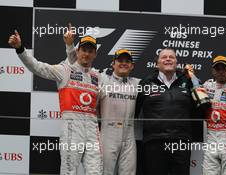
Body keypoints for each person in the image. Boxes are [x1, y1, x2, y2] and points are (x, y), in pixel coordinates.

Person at [8, 30, 103, 175]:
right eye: (84, 50)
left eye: (91, 51)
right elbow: (37, 67)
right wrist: (20, 49)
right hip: (72, 128)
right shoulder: (64, 70)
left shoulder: (98, 76)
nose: (87, 54)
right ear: (77, 51)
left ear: (95, 55)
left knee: (95, 172)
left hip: (92, 129)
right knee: (69, 171)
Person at [64, 31, 140, 175]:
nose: (123, 63)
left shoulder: (138, 84)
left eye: (127, 61)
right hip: (107, 133)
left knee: (129, 172)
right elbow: (77, 65)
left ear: (132, 66)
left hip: (129, 135)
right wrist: (69, 46)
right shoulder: (102, 79)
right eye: (120, 60)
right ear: (113, 64)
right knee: (104, 172)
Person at [135, 48, 200, 175]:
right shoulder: (146, 83)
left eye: (172, 57)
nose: (168, 59)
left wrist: (194, 78)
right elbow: (135, 111)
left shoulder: (188, 82)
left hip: (181, 141)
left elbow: (202, 106)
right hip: (154, 141)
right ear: (157, 63)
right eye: (164, 57)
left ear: (176, 62)